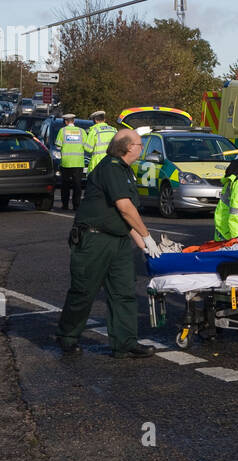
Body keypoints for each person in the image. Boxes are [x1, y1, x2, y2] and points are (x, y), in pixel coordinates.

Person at [55, 128, 161, 359]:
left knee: (124, 292)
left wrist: (146, 247)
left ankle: (125, 343)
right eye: (140, 145)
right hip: (95, 240)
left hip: (118, 240)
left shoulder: (124, 171)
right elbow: (125, 207)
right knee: (84, 291)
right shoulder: (111, 168)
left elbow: (125, 216)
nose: (142, 148)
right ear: (128, 147)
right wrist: (147, 236)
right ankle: (67, 336)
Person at [55, 113, 87, 210]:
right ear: (74, 121)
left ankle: (65, 205)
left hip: (66, 162)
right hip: (78, 163)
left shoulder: (62, 131)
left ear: (65, 121)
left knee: (65, 185)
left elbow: (57, 146)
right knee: (77, 185)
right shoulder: (81, 131)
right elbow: (86, 146)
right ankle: (76, 206)